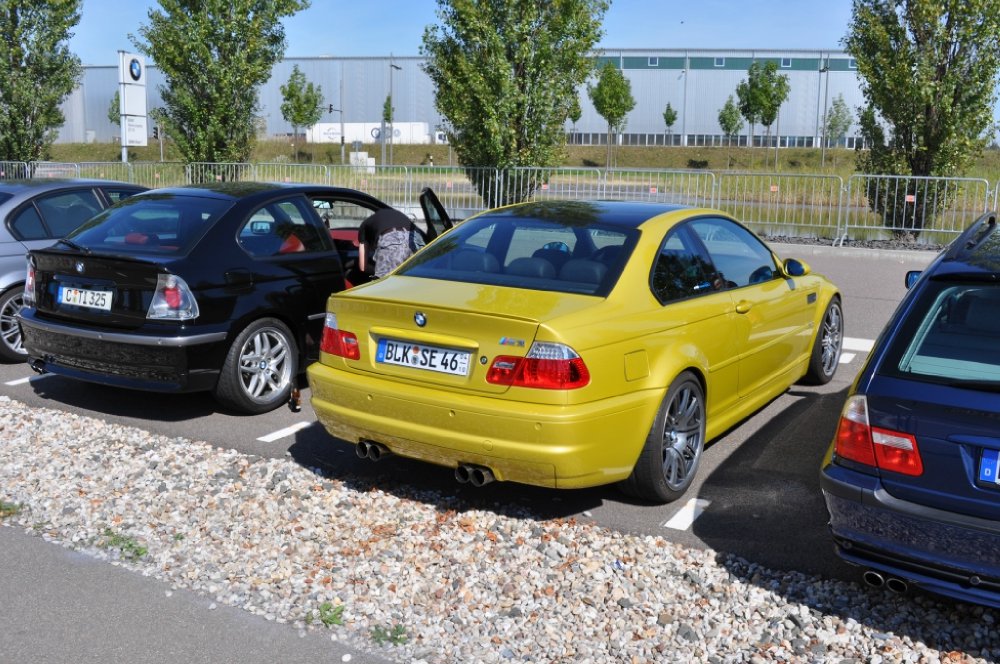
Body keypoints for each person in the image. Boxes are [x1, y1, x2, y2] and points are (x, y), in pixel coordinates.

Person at [357, 208, 424, 279]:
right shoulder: (397, 215)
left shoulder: (365, 225)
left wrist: (378, 270)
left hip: (392, 240)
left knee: (386, 284)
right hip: (416, 238)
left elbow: (363, 267)